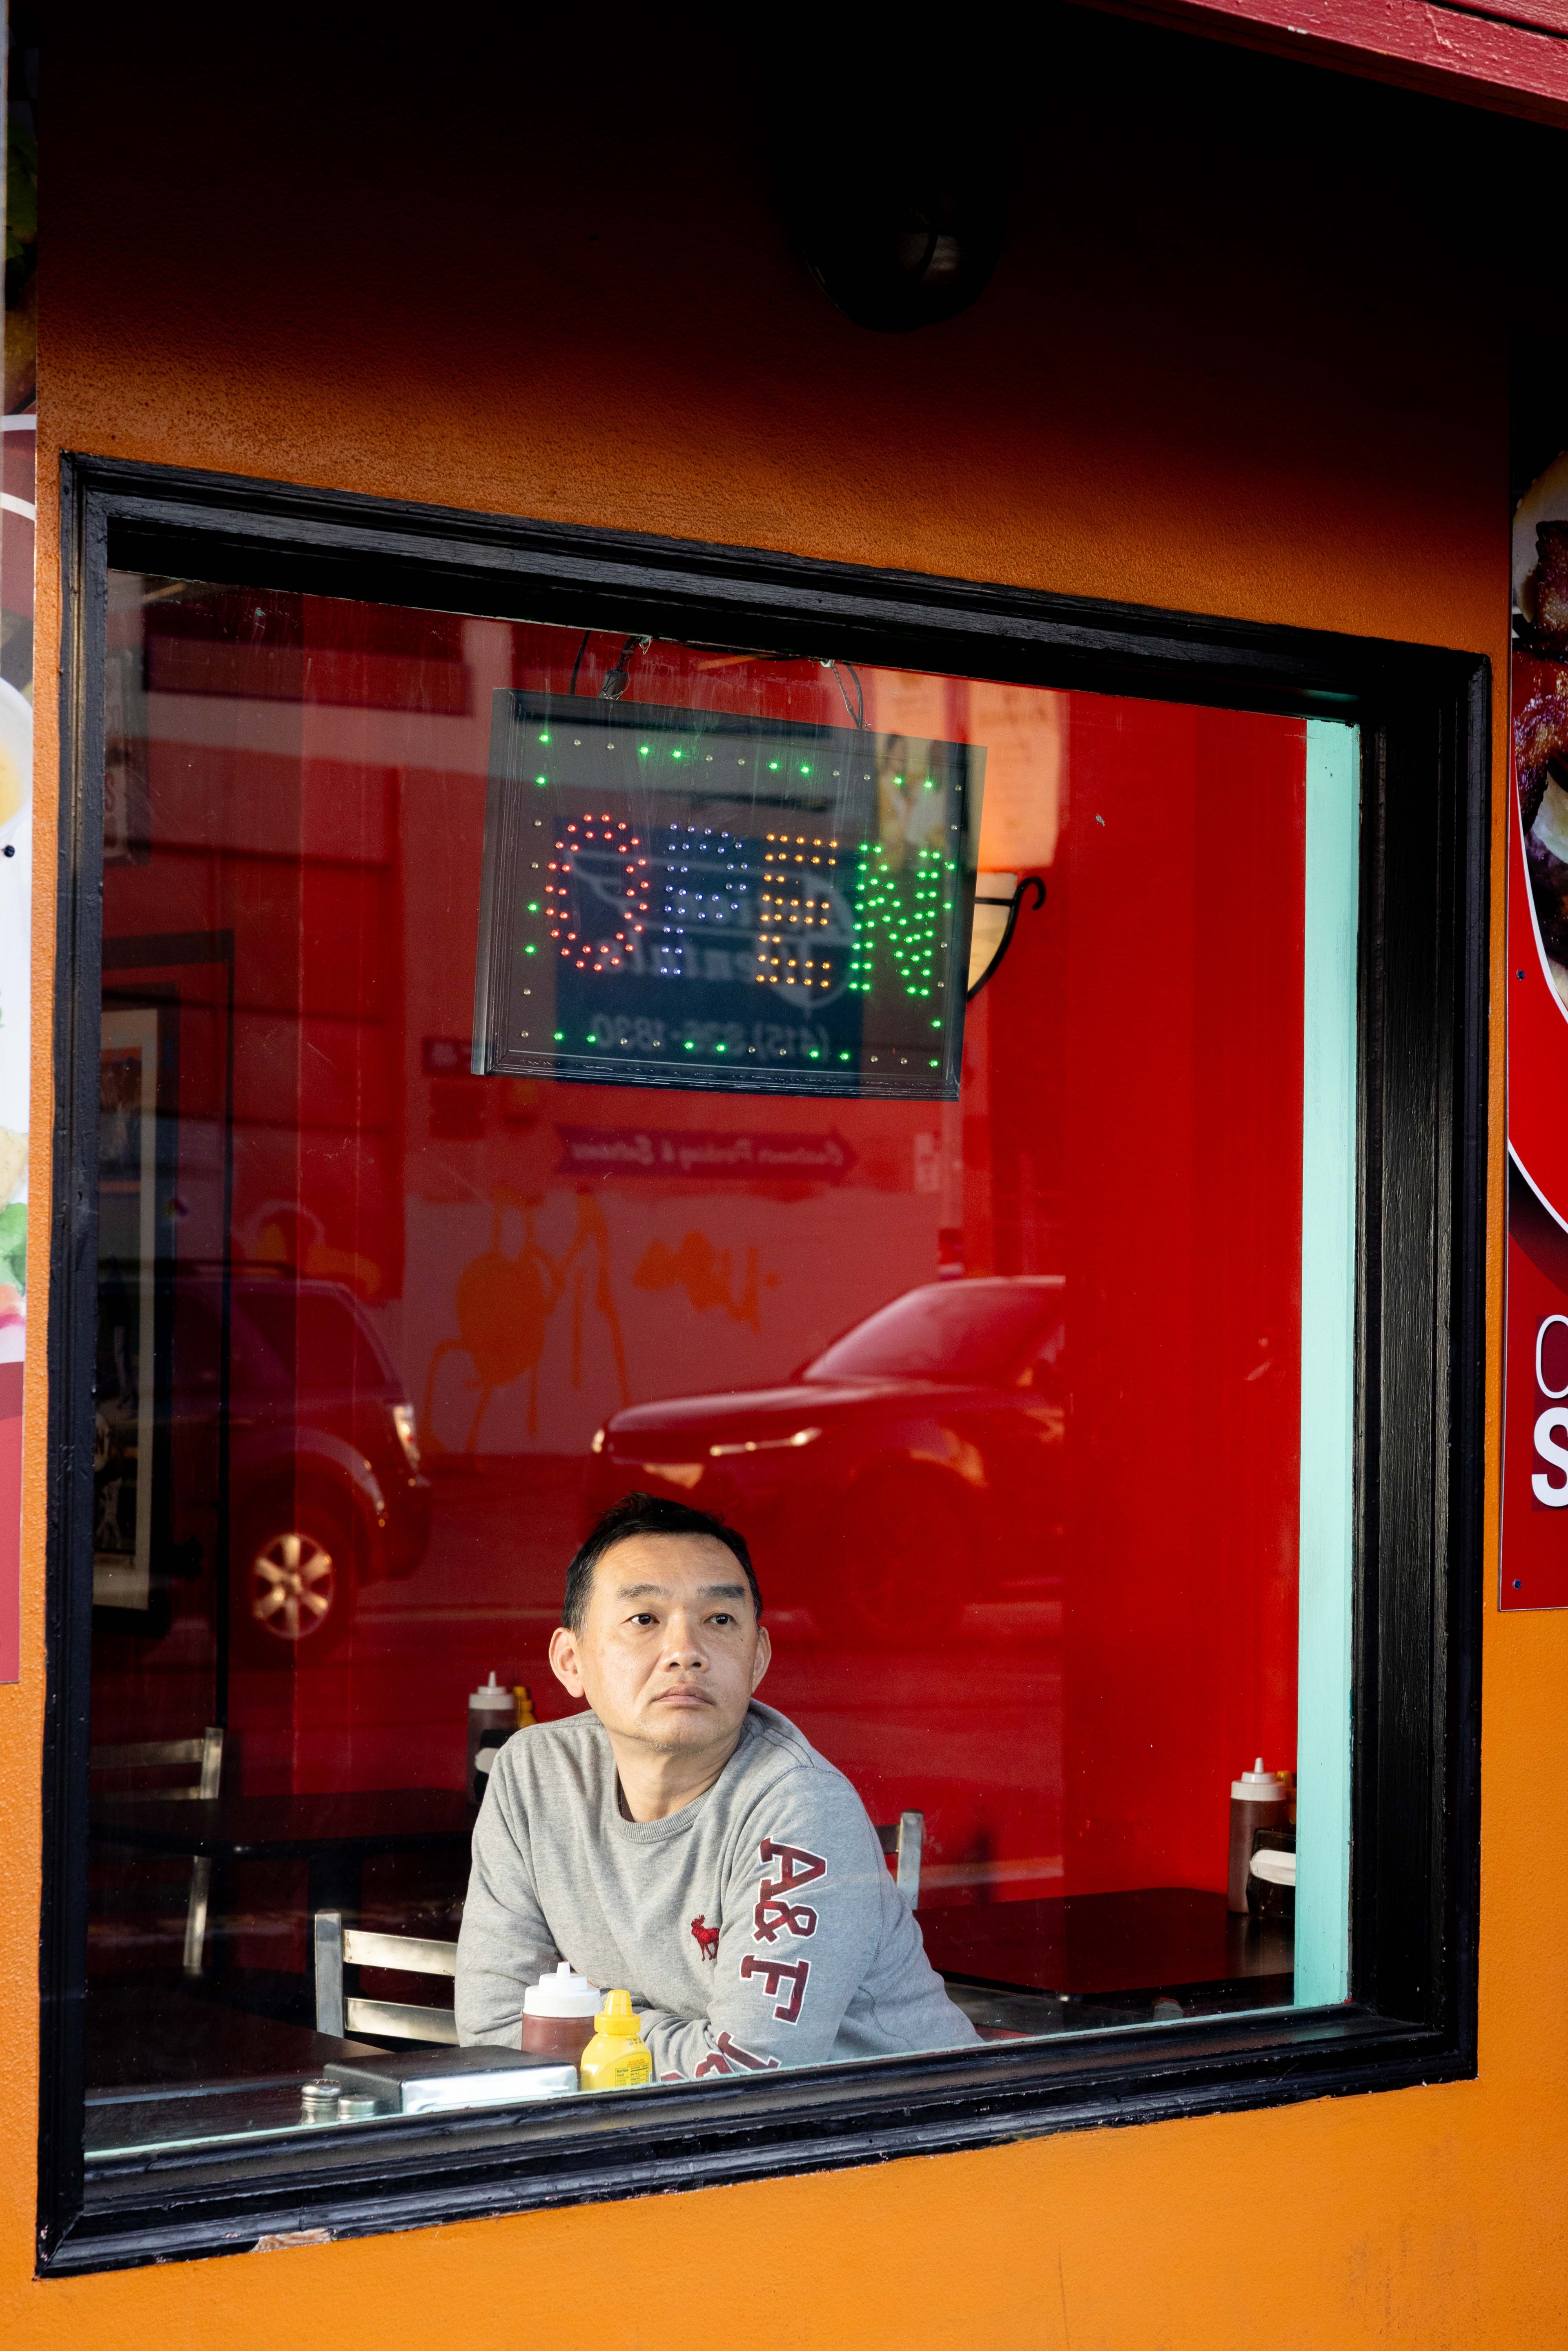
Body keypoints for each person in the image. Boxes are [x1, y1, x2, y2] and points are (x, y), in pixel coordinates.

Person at [455, 1490, 979, 2077]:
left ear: (757, 1658)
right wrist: (650, 2040)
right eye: (645, 1620)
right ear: (571, 1660)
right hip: (665, 2138)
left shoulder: (801, 1807)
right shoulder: (535, 1774)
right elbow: (492, 2029)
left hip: (902, 2139)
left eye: (720, 1621)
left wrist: (586, 2028)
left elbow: (751, 2071)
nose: (685, 1652)